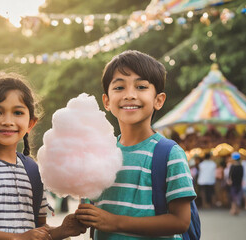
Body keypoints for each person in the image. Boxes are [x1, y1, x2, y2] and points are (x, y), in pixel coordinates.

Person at [0, 71, 86, 240]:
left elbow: (38, 230)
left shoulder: (33, 170)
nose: (8, 121)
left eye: (18, 113)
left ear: (30, 123)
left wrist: (63, 230)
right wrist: (17, 238)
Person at [75, 50, 196, 239]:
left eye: (141, 87)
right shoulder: (99, 152)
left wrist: (114, 222)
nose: (129, 95)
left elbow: (180, 222)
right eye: (119, 88)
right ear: (106, 101)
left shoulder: (169, 153)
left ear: (158, 100)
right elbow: (93, 211)